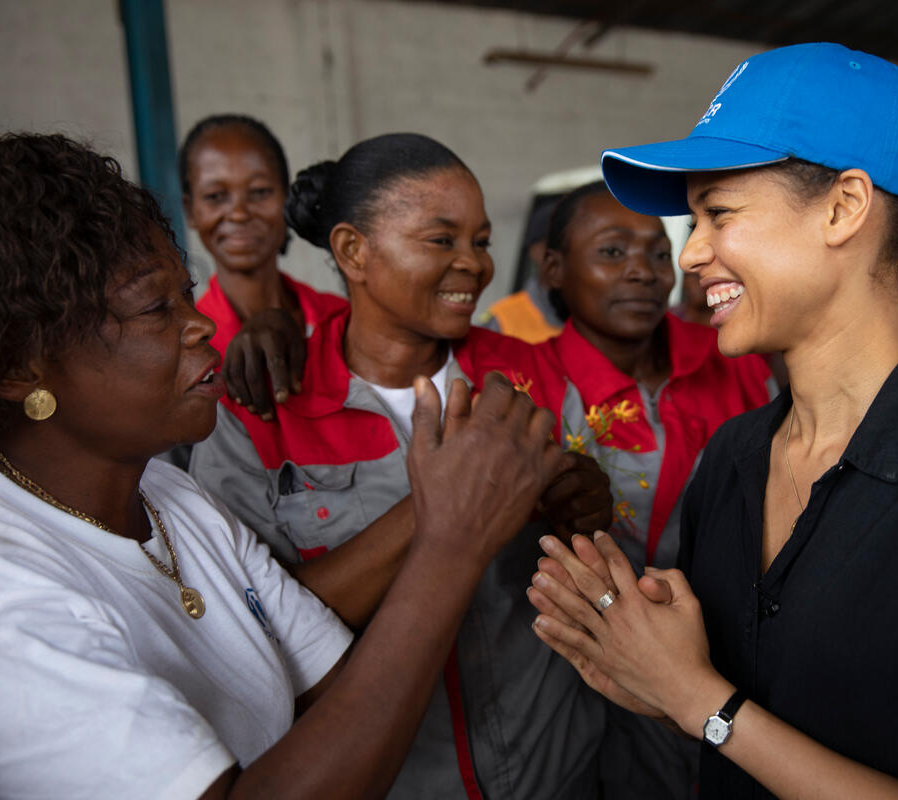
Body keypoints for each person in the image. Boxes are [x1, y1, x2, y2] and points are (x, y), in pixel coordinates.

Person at [527, 44, 898, 798]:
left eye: (718, 213)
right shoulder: (734, 460)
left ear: (845, 207)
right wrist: (651, 672)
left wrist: (702, 703)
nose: (693, 255)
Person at [0, 133, 569, 798]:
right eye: (157, 308)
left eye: (188, 297)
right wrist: (450, 540)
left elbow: (328, 682)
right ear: (24, 366)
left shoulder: (167, 495)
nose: (200, 327)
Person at [190, 132, 613, 799]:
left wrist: (587, 500)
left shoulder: (527, 373)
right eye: (441, 241)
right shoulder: (260, 414)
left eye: (479, 241)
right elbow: (253, 634)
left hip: (555, 771)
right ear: (354, 251)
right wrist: (454, 502)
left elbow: (589, 539)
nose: (473, 265)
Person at [534, 180, 771, 799]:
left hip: (733, 661)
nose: (642, 272)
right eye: (613, 252)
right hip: (588, 680)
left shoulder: (732, 356)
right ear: (552, 268)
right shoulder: (529, 379)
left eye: (657, 254)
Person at [179, 114, 348, 418]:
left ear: (287, 196)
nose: (240, 214)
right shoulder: (188, 347)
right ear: (190, 210)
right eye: (216, 196)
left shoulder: (341, 319)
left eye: (259, 192)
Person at [480, 194, 564, 343]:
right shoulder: (503, 320)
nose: (563, 252)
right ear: (534, 251)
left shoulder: (602, 312)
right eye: (555, 243)